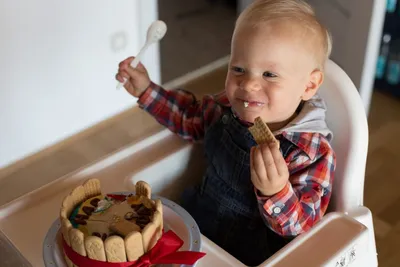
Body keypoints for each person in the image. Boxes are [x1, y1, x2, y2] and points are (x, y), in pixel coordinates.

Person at [116, 0, 336, 265]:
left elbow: (304, 230)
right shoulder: (225, 109)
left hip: (246, 257)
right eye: (238, 69)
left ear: (309, 85)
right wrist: (146, 90)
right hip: (194, 226)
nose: (248, 83)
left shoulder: (311, 152)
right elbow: (189, 118)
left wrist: (276, 191)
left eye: (269, 74)